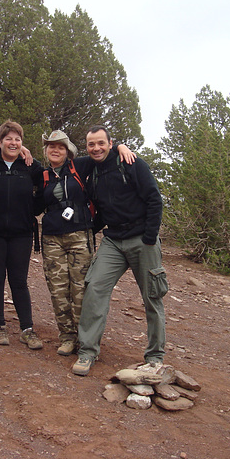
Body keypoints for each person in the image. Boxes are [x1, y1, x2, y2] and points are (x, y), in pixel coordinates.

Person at [71, 125, 169, 376]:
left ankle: (155, 357)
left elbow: (154, 199)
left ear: (110, 143)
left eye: (101, 143)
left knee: (152, 297)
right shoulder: (90, 168)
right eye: (91, 144)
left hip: (141, 240)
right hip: (113, 239)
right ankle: (87, 351)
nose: (96, 148)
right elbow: (59, 157)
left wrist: (149, 237)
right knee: (94, 288)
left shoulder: (131, 163)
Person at [40, 130, 137, 356]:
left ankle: (85, 339)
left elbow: (100, 152)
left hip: (80, 236)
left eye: (60, 147)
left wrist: (119, 147)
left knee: (81, 289)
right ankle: (66, 337)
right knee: (58, 290)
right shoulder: (41, 174)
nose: (55, 150)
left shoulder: (79, 166)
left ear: (68, 151)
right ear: (46, 150)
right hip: (52, 237)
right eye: (51, 146)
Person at [0, 120, 45, 349]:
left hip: (21, 233)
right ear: (0, 141)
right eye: (9, 139)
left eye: (18, 139)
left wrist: (33, 209)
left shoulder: (30, 166)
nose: (13, 143)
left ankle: (27, 329)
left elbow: (47, 185)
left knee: (19, 281)